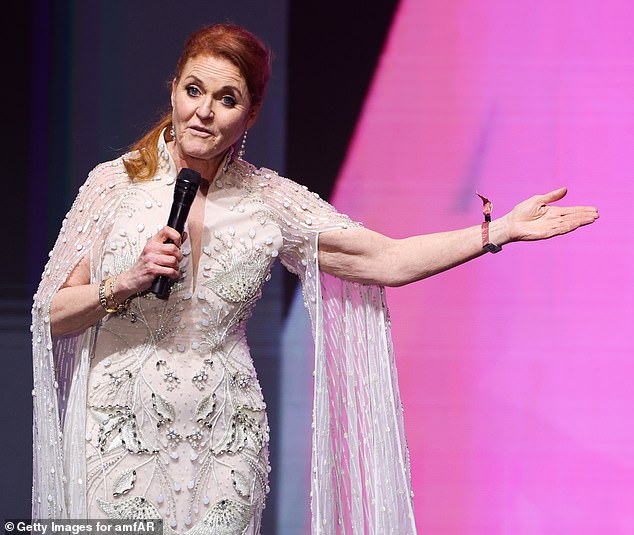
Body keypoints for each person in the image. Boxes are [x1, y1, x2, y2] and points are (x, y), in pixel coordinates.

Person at [31, 23, 598, 534]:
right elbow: (50, 315)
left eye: (227, 99)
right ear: (173, 90)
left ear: (249, 116)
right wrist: (126, 281)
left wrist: (494, 233)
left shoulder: (270, 201)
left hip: (224, 438)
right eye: (194, 91)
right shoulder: (113, 186)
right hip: (119, 429)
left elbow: (386, 260)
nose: (204, 112)